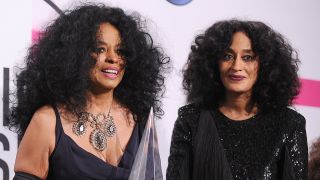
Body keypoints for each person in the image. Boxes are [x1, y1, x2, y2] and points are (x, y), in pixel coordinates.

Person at [9, 3, 169, 180]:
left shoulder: (140, 120)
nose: (113, 58)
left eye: (120, 51)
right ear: (75, 55)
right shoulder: (47, 121)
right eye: (100, 49)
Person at [166, 19, 308, 180]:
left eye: (248, 57)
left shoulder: (289, 124)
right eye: (227, 56)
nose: (236, 66)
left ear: (266, 64)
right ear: (213, 63)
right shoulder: (191, 120)